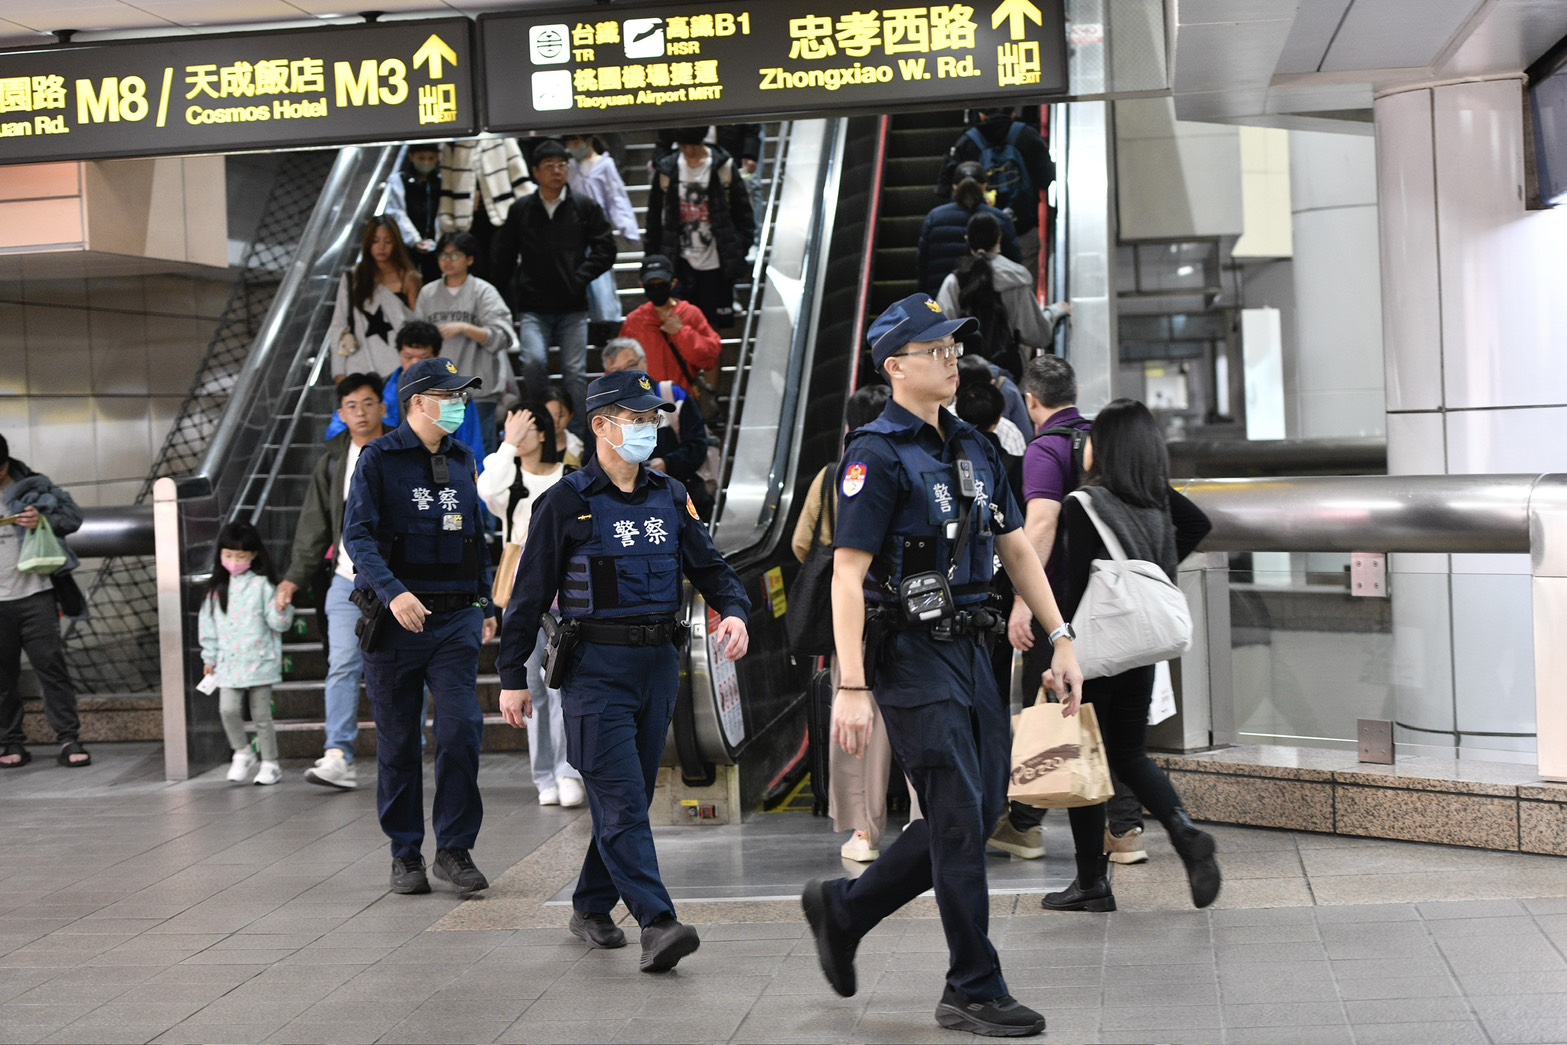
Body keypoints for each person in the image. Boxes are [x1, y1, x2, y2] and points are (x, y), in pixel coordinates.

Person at [802, 293, 1083, 1038]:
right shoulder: (874, 453)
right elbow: (846, 574)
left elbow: (1015, 544)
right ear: (895, 366)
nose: (950, 359)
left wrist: (1060, 634)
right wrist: (853, 686)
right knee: (957, 810)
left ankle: (845, 907)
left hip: (978, 647)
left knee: (981, 808)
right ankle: (972, 984)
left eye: (953, 348)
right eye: (933, 350)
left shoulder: (977, 444)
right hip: (909, 654)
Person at [496, 369, 751, 973]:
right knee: (623, 799)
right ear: (603, 425)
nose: (648, 429)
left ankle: (589, 905)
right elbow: (527, 598)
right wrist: (511, 675)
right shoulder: (564, 503)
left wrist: (735, 610)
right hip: (594, 671)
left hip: (658, 667)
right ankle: (658, 922)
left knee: (624, 798)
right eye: (636, 419)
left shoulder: (669, 495)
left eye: (651, 420)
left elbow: (711, 567)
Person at [1039, 398, 1218, 913]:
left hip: (1093, 651)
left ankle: (1091, 883)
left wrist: (1060, 648)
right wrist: (1154, 570)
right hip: (1140, 648)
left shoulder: (1084, 503)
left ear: (1107, 447)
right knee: (1129, 754)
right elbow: (1198, 524)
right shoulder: (1156, 498)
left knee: (1082, 758)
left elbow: (1073, 588)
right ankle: (1183, 831)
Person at [341, 356, 499, 899]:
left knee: (461, 730)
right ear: (416, 403)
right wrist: (394, 592)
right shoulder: (378, 460)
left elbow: (476, 536)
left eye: (461, 396)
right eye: (449, 396)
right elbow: (357, 537)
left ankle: (454, 851)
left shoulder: (462, 458)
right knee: (400, 742)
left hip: (455, 617)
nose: (459, 405)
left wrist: (485, 602)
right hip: (395, 621)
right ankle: (405, 852)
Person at [999, 355, 1148, 865]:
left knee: (1049, 705)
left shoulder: (1046, 449)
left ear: (1030, 402)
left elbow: (1040, 525)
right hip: (1111, 603)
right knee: (1105, 717)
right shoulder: (1102, 440)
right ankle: (1124, 829)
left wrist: (1024, 599)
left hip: (1060, 607)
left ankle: (1025, 824)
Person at [790, 384, 922, 864]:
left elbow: (803, 544)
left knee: (855, 722)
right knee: (919, 715)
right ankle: (923, 819)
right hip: (908, 611)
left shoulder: (834, 475)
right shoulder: (912, 462)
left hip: (855, 617)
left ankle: (865, 833)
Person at [277, 374, 390, 790]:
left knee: (402, 668)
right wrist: (293, 579)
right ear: (341, 414)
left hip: (399, 583)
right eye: (351, 406)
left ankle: (403, 751)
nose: (360, 413)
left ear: (382, 407)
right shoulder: (331, 459)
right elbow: (314, 526)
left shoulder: (401, 450)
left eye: (367, 403)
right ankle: (337, 752)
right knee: (343, 663)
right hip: (348, 580)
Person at [476, 403, 584, 809]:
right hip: (522, 594)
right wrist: (506, 445)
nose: (518, 435)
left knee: (561, 684)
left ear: (543, 434)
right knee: (531, 687)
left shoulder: (569, 477)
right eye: (511, 427)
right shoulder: (508, 477)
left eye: (526, 428)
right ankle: (544, 774)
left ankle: (567, 770)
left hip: (569, 592)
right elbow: (485, 491)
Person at [491, 139, 616, 433]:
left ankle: (581, 439)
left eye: (562, 165)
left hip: (573, 306)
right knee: (533, 363)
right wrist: (502, 299)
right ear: (535, 172)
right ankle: (541, 427)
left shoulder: (584, 206)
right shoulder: (522, 209)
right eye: (549, 166)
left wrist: (580, 275)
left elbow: (606, 249)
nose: (557, 171)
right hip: (533, 306)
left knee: (575, 373)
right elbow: (504, 257)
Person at [0, 435, 88, 769]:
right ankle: (11, 741)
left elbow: (73, 517)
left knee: (51, 668)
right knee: (2, 676)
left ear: (5, 463)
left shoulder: (32, 486)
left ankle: (68, 737)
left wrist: (43, 520)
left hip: (36, 593)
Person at [199, 521, 294, 786]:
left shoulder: (263, 586)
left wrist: (282, 608)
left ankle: (270, 763)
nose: (233, 561)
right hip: (228, 663)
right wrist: (209, 658)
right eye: (228, 555)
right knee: (227, 709)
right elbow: (208, 627)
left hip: (260, 661)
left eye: (240, 556)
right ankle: (242, 751)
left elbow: (278, 624)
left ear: (253, 556)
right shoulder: (215, 590)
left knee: (262, 715)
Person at [324, 322, 486, 472]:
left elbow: (473, 454)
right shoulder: (376, 391)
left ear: (437, 355)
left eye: (423, 358)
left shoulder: (459, 398)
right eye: (408, 357)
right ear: (399, 353)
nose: (415, 364)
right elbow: (337, 433)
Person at [646, 127, 755, 334]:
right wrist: (652, 258)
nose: (688, 151)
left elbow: (744, 215)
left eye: (692, 146)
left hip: (717, 262)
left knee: (711, 331)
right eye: (683, 146)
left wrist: (738, 249)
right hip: (680, 262)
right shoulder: (667, 169)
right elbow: (654, 220)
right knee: (680, 327)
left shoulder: (723, 166)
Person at [939, 212, 1070, 379]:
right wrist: (1055, 311)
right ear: (999, 238)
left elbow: (942, 334)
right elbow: (1038, 335)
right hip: (1008, 376)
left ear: (967, 240)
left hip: (965, 378)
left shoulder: (953, 282)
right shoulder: (1016, 279)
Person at [417, 231, 515, 454]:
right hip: (437, 393)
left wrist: (465, 328)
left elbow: (504, 336)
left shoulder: (484, 292)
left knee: (480, 454)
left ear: (470, 259)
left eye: (455, 255)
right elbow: (416, 339)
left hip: (478, 391)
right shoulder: (427, 294)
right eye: (443, 255)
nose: (447, 261)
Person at [936, 108, 1054, 283]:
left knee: (978, 285)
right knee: (1021, 284)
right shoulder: (1026, 135)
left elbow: (945, 187)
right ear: (1013, 112)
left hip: (978, 234)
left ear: (982, 115)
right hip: (1023, 227)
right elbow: (1047, 177)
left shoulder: (967, 142)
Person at [599, 338, 713, 518]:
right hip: (625, 504)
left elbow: (698, 445)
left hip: (679, 498)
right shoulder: (603, 412)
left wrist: (667, 464)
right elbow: (595, 456)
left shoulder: (673, 396)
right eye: (616, 372)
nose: (626, 375)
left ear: (644, 362)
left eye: (631, 366)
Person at [329, 216, 422, 380]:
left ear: (396, 243)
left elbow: (418, 326)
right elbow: (339, 324)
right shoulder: (353, 277)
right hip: (359, 366)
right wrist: (339, 373)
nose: (381, 247)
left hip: (399, 370)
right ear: (367, 243)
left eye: (388, 241)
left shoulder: (409, 278)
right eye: (375, 241)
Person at [617, 255, 723, 394]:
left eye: (661, 284)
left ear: (673, 283)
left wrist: (681, 332)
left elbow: (710, 357)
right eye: (651, 285)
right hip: (648, 404)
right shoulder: (634, 322)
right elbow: (617, 367)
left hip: (684, 401)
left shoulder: (690, 314)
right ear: (642, 285)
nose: (656, 289)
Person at [564, 132, 641, 324]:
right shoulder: (570, 168)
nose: (573, 147)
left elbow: (616, 197)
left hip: (597, 232)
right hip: (573, 235)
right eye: (570, 143)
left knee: (602, 283)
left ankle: (608, 323)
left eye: (576, 142)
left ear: (587, 141)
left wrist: (627, 228)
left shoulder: (605, 165)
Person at [917, 161, 1021, 298]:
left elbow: (922, 266)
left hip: (943, 299)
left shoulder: (934, 218)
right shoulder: (1000, 219)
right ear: (985, 186)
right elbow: (1014, 263)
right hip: (988, 302)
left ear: (954, 186)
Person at [385, 142, 443, 284]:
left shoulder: (442, 181)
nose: (426, 162)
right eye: (421, 158)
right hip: (407, 248)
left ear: (437, 158)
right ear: (411, 156)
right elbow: (397, 212)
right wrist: (414, 240)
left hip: (437, 248)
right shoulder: (398, 180)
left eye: (431, 158)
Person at [542, 385, 584, 468]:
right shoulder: (530, 445)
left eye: (561, 416)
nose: (556, 421)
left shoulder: (579, 447)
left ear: (570, 416)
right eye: (550, 415)